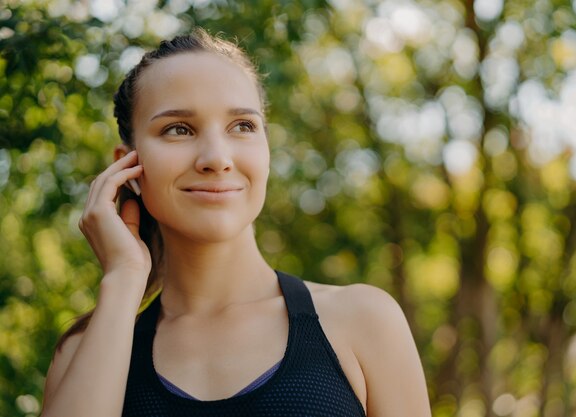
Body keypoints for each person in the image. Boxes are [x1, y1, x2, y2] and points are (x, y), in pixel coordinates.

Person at [40, 28, 431, 417]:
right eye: (179, 129)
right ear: (129, 167)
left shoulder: (364, 320)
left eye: (242, 126)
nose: (217, 157)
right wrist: (124, 276)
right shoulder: (83, 354)